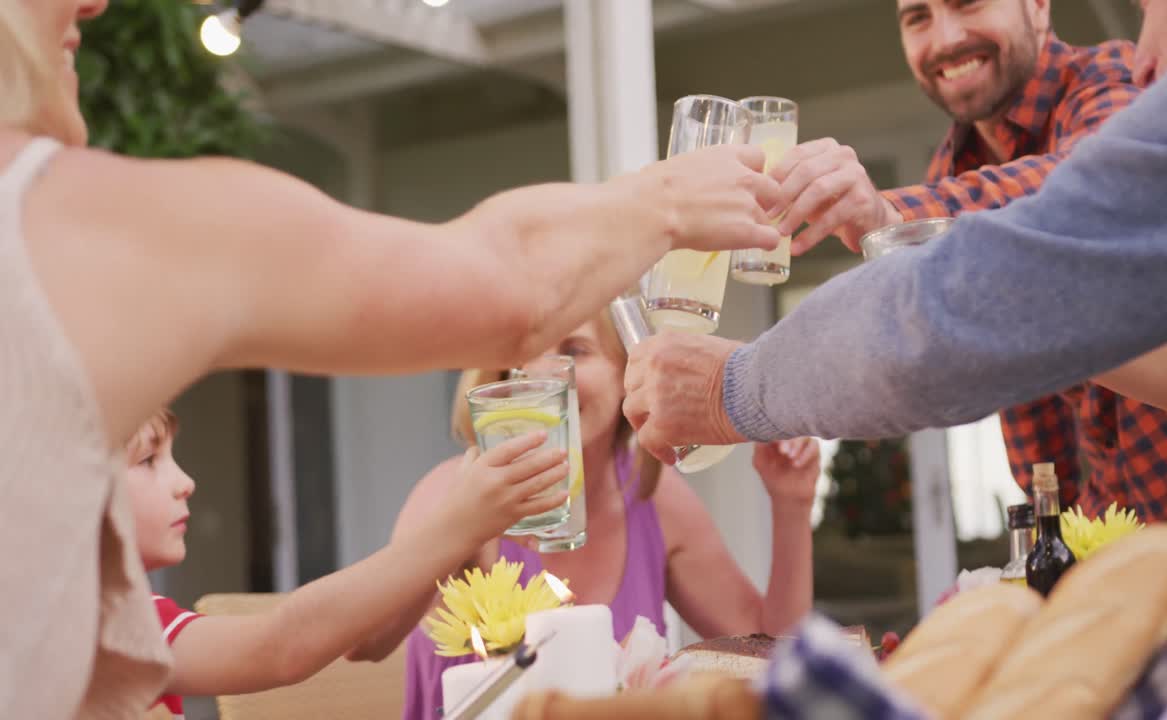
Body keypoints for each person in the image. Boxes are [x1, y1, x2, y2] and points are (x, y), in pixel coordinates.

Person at [0, 0, 781, 715]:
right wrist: (670, 200)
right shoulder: (63, 224)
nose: (96, 2)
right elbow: (511, 282)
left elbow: (286, 645)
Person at [623, 0, 1167, 634]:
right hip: (1104, 569)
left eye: (968, 3)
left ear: (1040, 7)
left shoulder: (1109, 81)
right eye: (917, 17)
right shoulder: (953, 164)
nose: (943, 37)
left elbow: (1075, 202)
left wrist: (736, 386)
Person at [349, 312, 819, 719]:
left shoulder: (655, 498)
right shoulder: (449, 495)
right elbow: (365, 640)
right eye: (521, 353)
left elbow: (774, 653)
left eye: (575, 349)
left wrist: (791, 504)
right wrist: (459, 531)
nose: (542, 375)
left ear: (630, 373)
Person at [124, 409, 566, 718]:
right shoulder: (110, 628)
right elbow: (282, 645)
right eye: (148, 460)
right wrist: (456, 529)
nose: (185, 481)